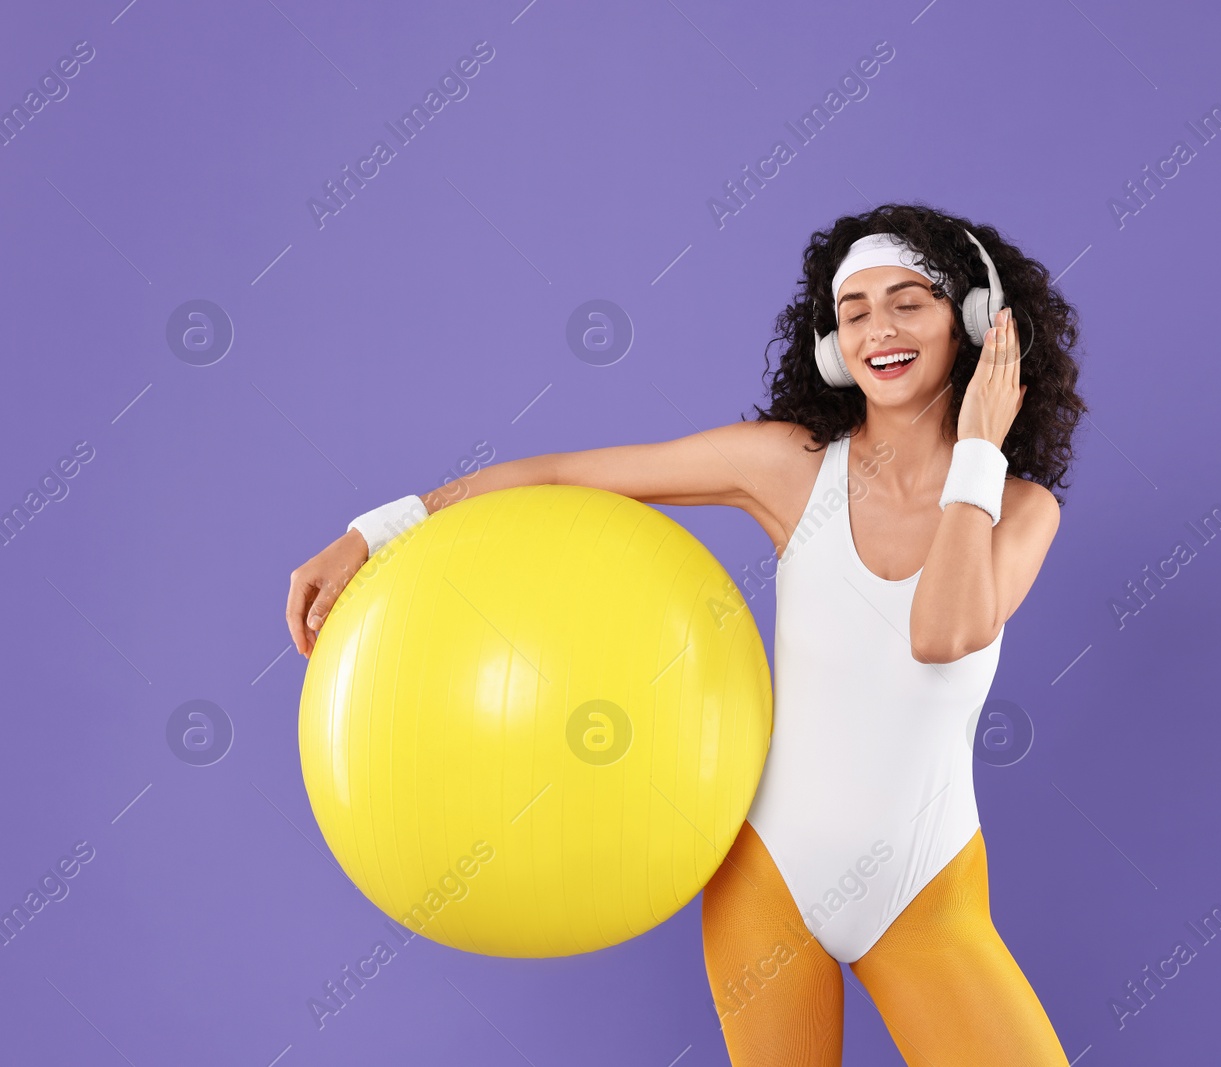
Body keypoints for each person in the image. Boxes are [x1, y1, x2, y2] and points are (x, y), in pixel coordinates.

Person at [287, 203, 1087, 1066]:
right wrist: (380, 527)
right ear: (832, 346)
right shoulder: (788, 468)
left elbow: (940, 632)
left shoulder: (1021, 508)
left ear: (975, 322)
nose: (878, 330)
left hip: (925, 890)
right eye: (853, 312)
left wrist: (978, 448)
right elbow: (562, 476)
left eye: (908, 303)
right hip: (766, 879)